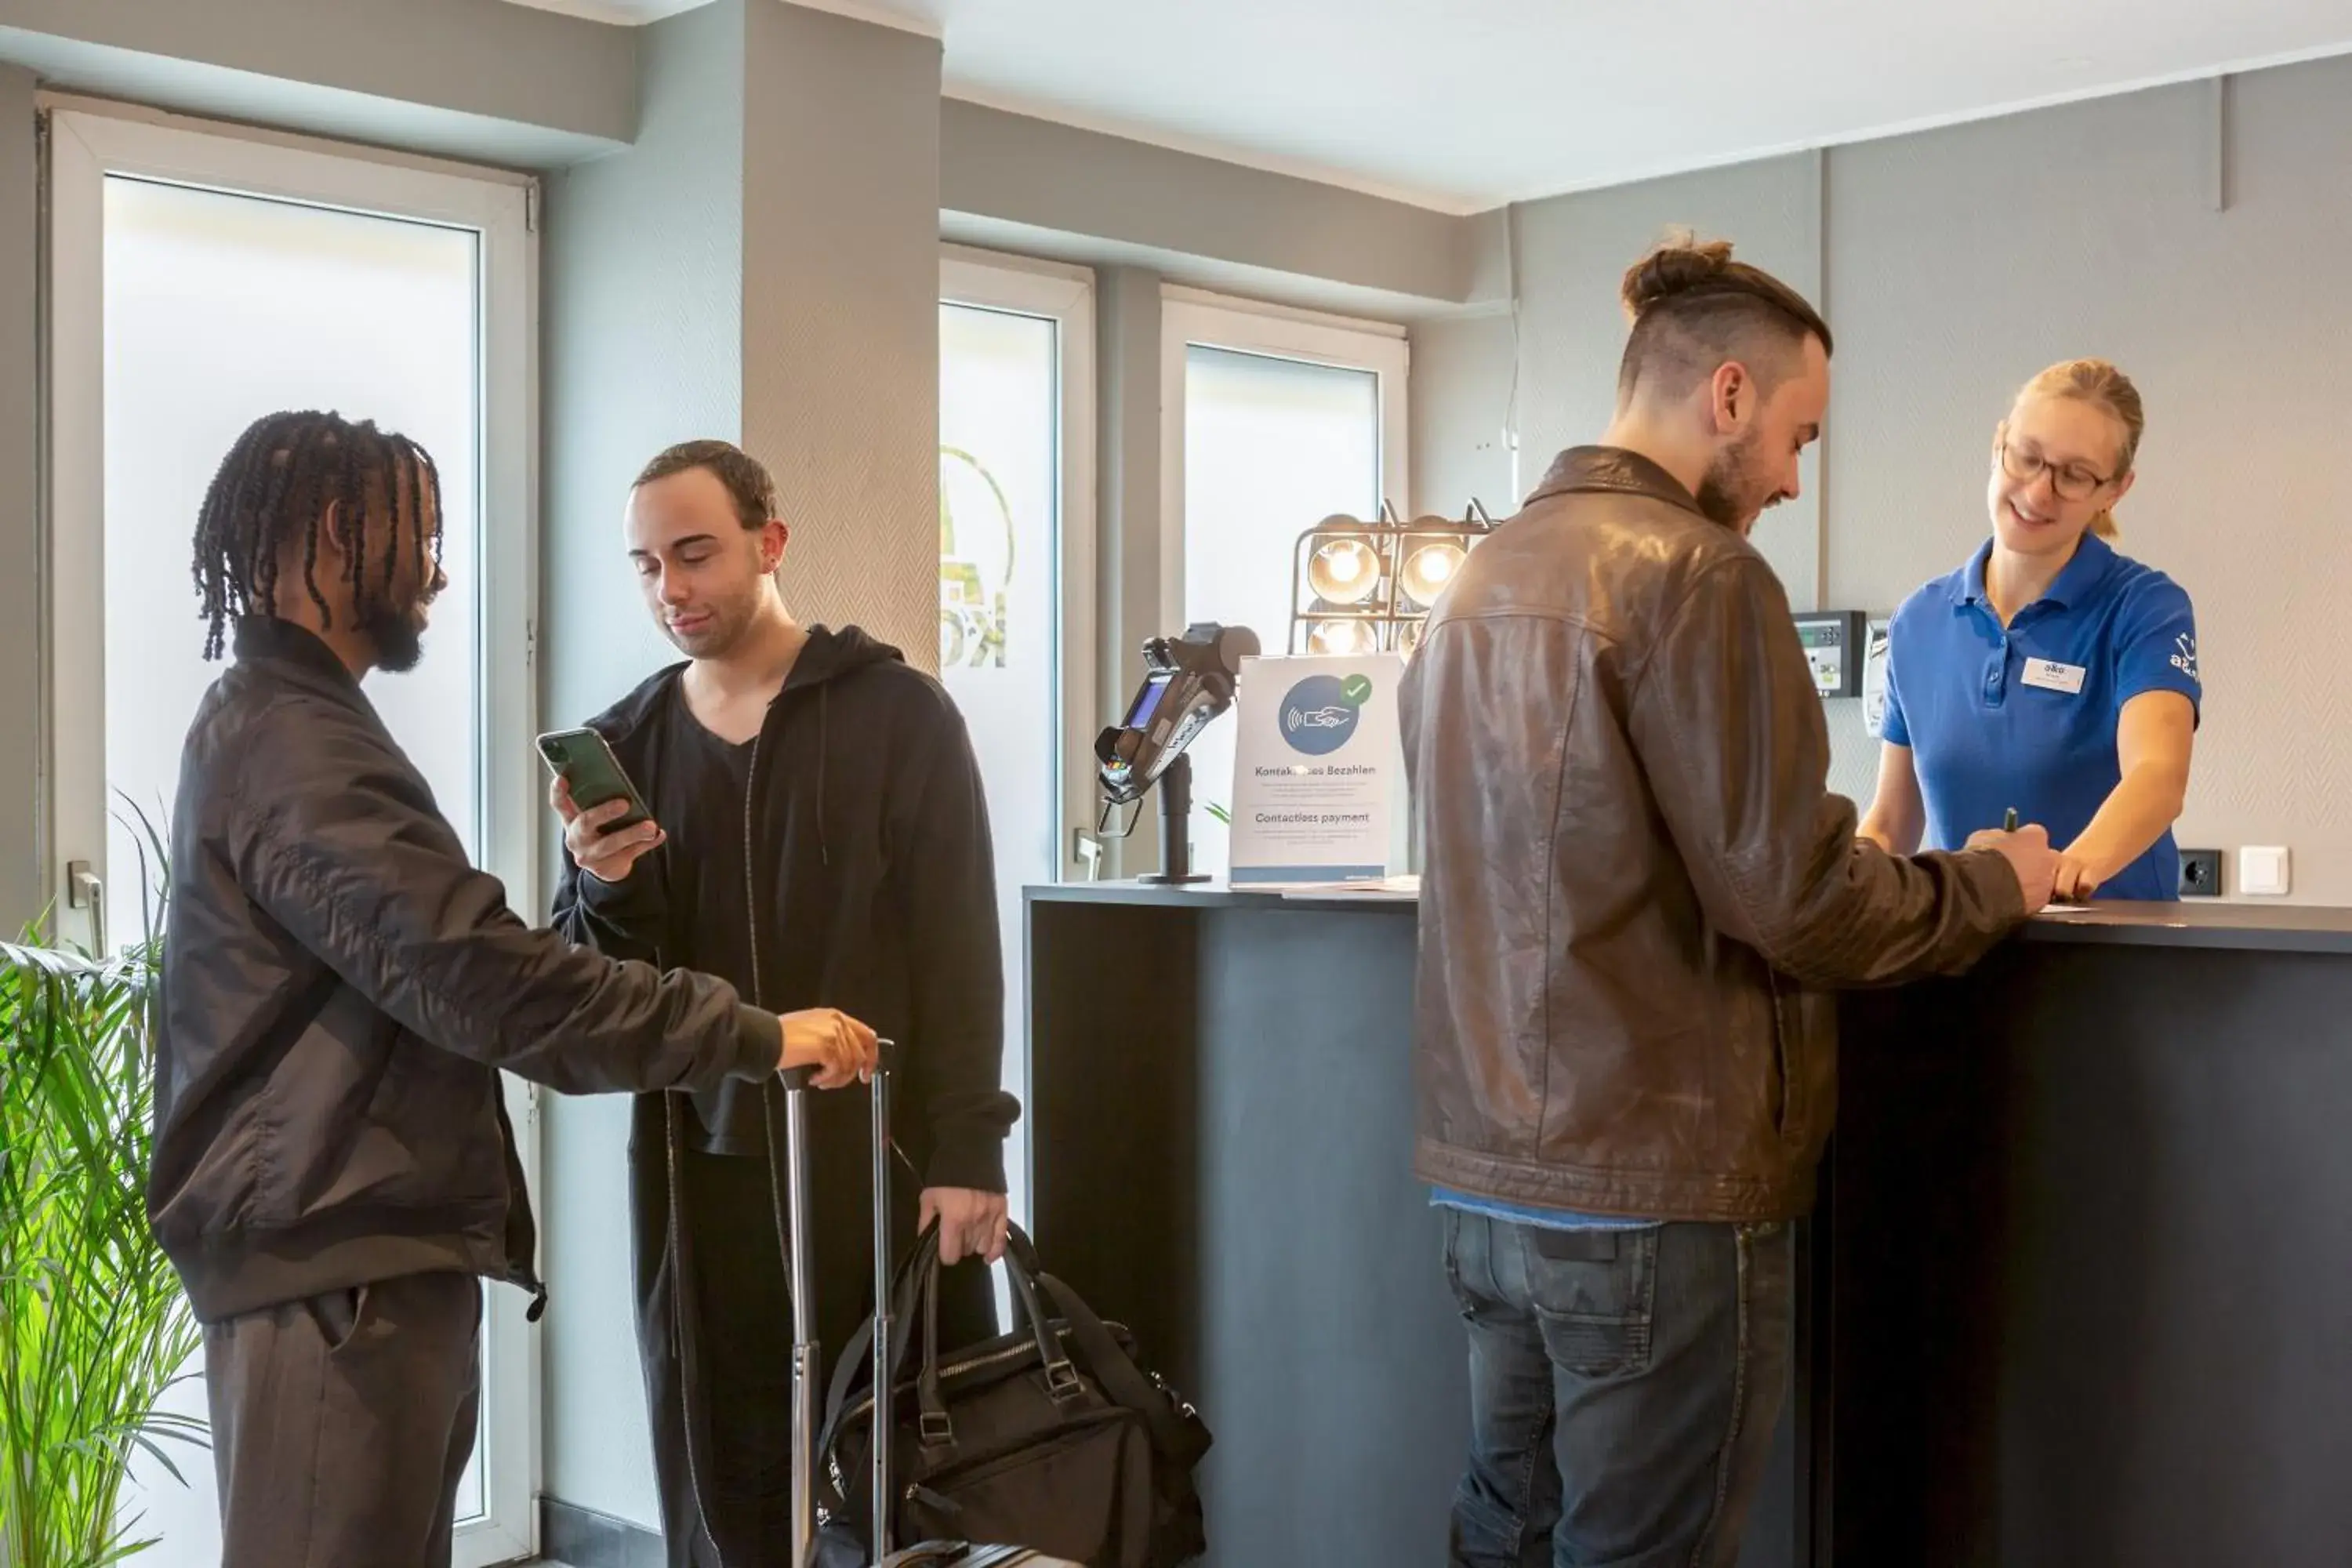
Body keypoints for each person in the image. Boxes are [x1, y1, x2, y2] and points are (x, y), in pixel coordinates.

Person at [1399, 238, 2062, 1568]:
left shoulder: (1479, 581)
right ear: (1730, 396)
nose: (1792, 479)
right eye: (1796, 437)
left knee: (1500, 1535)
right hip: (1656, 1195)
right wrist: (1996, 882)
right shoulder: (1700, 576)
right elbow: (1797, 897)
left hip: (1487, 1196)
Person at [153, 410, 880, 1568]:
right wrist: (752, 1032)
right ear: (337, 539)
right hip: (339, 1271)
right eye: (416, 537)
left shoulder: (300, 728)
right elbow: (484, 978)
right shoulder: (294, 744)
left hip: (369, 1257)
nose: (436, 572)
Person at [550, 439, 1017, 1566]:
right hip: (697, 1172)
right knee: (728, 1463)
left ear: (771, 541)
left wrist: (970, 1148)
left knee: (904, 1459)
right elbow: (597, 986)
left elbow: (959, 944)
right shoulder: (631, 740)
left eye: (696, 554)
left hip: (879, 1163)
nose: (673, 590)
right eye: (647, 565)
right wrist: (603, 882)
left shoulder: (898, 715)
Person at [1858, 360, 2198, 902]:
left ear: (2114, 491)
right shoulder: (1919, 620)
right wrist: (1840, 886)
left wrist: (2061, 874)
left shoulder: (2144, 606)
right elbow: (1893, 820)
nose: (2040, 493)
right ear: (1999, 445)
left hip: (2114, 956)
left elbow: (2157, 775)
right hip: (1966, 950)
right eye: (2028, 458)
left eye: (2075, 474)